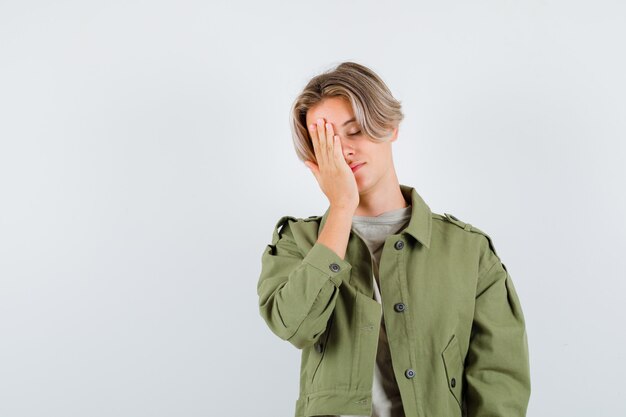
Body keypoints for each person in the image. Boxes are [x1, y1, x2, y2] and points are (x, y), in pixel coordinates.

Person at [257, 61, 531, 417]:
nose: (343, 152)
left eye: (354, 132)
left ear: (389, 127)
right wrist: (341, 207)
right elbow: (294, 326)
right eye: (326, 144)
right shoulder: (297, 242)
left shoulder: (469, 251)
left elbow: (500, 381)